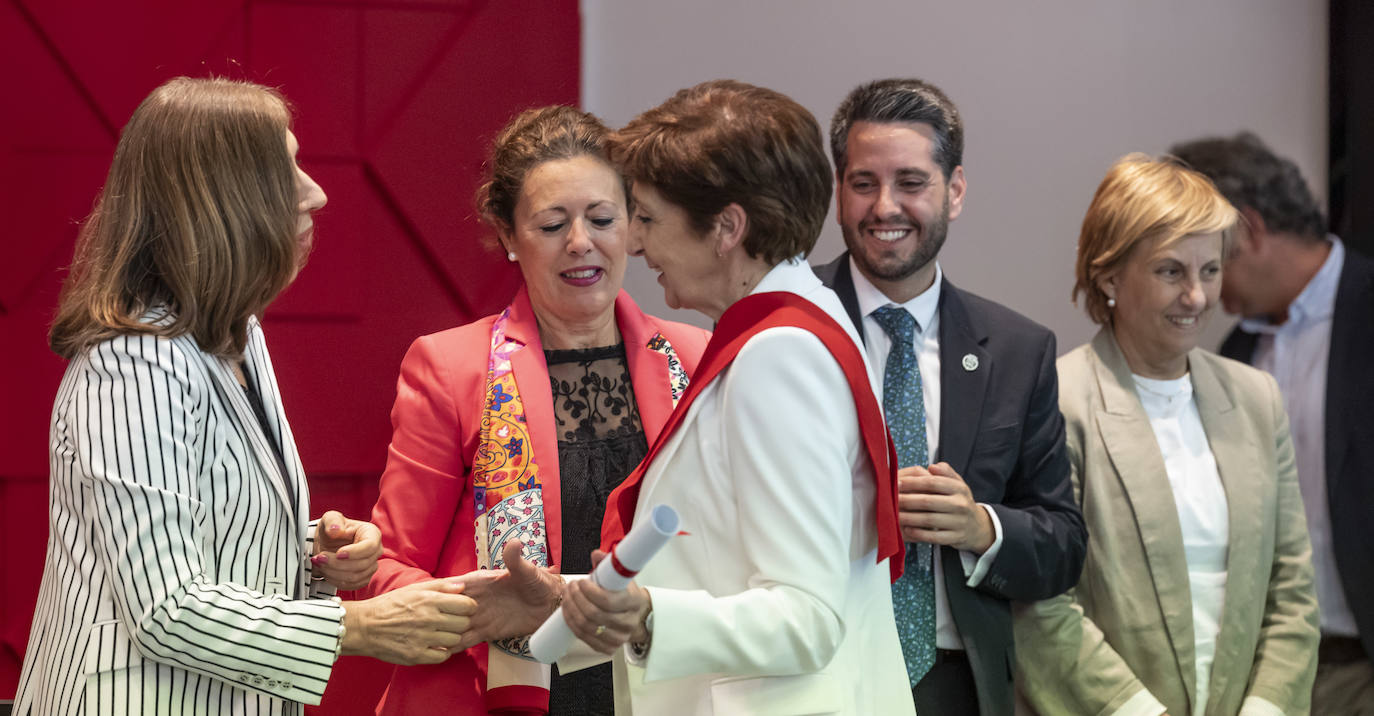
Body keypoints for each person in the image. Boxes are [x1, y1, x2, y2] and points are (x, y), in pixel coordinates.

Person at [14, 76, 477, 716]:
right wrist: (364, 628)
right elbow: (166, 609)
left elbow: (203, 536)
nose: (315, 194)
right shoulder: (133, 364)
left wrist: (314, 552)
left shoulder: (238, 336)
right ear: (221, 201)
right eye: (285, 172)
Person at [554, 79, 913, 716]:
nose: (634, 244)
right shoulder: (800, 321)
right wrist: (577, 600)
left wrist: (647, 616)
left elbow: (807, 617)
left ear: (727, 227)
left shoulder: (779, 355)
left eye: (648, 218)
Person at [364, 105, 710, 715]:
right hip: (499, 691)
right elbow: (388, 566)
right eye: (552, 225)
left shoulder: (697, 356)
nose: (582, 243)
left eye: (602, 218)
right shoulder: (451, 366)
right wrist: (486, 606)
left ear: (632, 224)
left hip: (662, 685)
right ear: (507, 236)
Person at [813, 77, 1087, 715]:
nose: (885, 206)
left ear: (954, 190)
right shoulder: (785, 324)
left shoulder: (1019, 350)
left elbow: (1063, 542)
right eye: (863, 183)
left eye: (911, 182)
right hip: (816, 666)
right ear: (838, 192)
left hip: (958, 680)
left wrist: (979, 527)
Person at [1013, 153, 1320, 715]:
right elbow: (1042, 603)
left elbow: (1292, 591)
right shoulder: (1055, 399)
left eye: (1210, 270)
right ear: (1108, 275)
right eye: (1170, 271)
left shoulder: (1256, 399)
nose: (1197, 297)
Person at [1170, 132, 1374, 714]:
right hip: (1265, 673)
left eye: (1207, 258)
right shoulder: (1229, 356)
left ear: (1250, 230)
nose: (1197, 290)